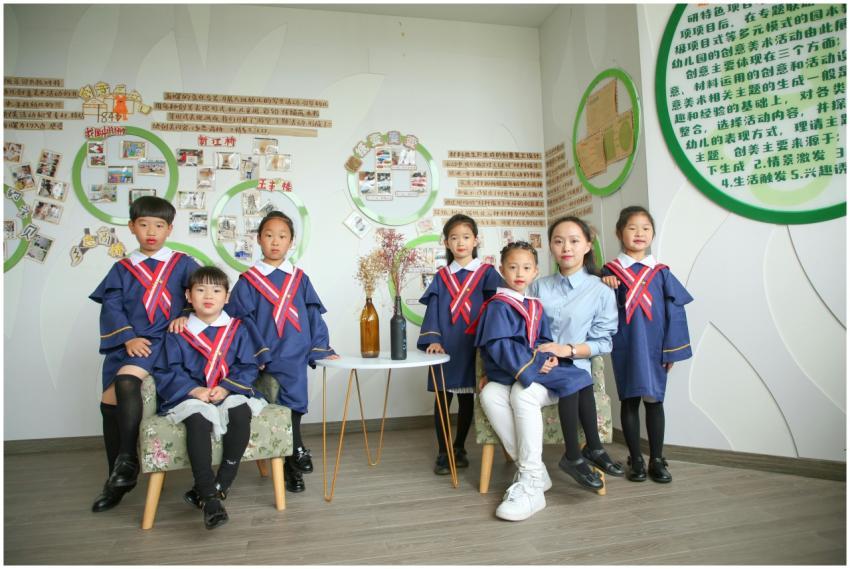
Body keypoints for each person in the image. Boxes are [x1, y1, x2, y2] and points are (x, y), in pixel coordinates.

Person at [89, 196, 200, 512]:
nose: (151, 231)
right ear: (131, 227)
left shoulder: (182, 263)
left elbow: (204, 291)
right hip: (130, 344)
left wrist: (186, 313)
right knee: (108, 401)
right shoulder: (122, 269)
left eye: (159, 225)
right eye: (143, 224)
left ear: (170, 229)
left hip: (164, 342)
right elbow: (111, 307)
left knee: (126, 382)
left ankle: (127, 465)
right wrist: (126, 338)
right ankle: (117, 475)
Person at [471, 242, 596, 521]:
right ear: (501, 270)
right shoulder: (498, 306)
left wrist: (549, 356)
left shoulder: (535, 306)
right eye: (512, 267)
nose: (519, 273)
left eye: (526, 267)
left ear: (535, 272)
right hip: (518, 371)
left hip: (530, 376)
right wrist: (535, 364)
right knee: (490, 393)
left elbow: (541, 340)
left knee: (520, 393)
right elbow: (500, 347)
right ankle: (536, 471)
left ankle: (531, 483)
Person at [225, 211, 339, 493]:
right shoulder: (249, 281)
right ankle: (295, 453)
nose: (275, 242)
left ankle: (291, 462)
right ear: (258, 239)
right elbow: (242, 321)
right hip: (265, 353)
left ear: (291, 242)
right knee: (280, 400)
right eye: (269, 235)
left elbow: (313, 314)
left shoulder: (299, 278)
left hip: (296, 349)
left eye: (282, 236)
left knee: (294, 397)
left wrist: (322, 348)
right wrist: (257, 353)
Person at [153, 266, 270, 529]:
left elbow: (248, 366)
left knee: (241, 412)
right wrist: (196, 391)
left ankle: (222, 483)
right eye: (201, 289)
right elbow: (167, 369)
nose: (209, 295)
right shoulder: (177, 332)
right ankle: (209, 496)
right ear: (188, 295)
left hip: (227, 390)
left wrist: (227, 388)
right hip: (191, 395)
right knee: (198, 420)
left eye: (217, 290)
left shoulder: (237, 328)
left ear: (227, 297)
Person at [601, 206, 693, 483]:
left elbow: (675, 312)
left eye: (646, 228)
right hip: (625, 345)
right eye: (632, 227)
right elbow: (599, 308)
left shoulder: (661, 272)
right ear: (619, 233)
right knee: (629, 400)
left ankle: (657, 459)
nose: (639, 233)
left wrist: (671, 349)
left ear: (652, 233)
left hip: (655, 347)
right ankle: (636, 459)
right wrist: (605, 285)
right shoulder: (610, 272)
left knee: (654, 401)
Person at [528, 216, 622, 481]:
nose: (566, 248)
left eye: (574, 241)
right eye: (558, 241)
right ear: (550, 246)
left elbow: (604, 342)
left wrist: (567, 350)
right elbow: (525, 329)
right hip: (542, 364)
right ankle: (587, 450)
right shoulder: (538, 286)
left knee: (577, 375)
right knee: (577, 379)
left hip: (576, 362)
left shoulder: (601, 290)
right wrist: (545, 353)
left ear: (588, 245)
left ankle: (585, 451)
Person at [417, 214, 502, 474]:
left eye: (466, 237)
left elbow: (497, 309)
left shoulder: (487, 273)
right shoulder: (442, 277)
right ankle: (443, 453)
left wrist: (490, 343)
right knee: (442, 399)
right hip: (445, 347)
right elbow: (433, 310)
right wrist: (433, 339)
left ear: (476, 240)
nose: (460, 242)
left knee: (467, 399)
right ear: (446, 242)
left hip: (474, 345)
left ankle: (459, 447)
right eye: (454, 238)